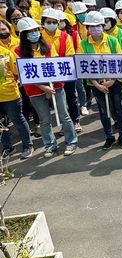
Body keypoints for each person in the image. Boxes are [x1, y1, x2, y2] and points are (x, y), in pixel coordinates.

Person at [16, 17, 77, 157]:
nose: (34, 33)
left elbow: (56, 67)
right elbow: (24, 74)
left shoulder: (48, 47)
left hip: (56, 87)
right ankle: (50, 145)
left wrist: (51, 88)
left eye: (36, 30)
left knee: (64, 115)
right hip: (35, 91)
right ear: (23, 35)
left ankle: (71, 142)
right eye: (30, 31)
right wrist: (44, 88)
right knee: (44, 120)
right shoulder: (18, 51)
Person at [77, 11, 122, 149]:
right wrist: (96, 84)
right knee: (104, 111)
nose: (95, 29)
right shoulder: (84, 44)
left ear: (102, 26)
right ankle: (109, 136)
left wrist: (112, 80)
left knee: (119, 108)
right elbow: (83, 66)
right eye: (91, 27)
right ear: (87, 28)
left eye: (98, 26)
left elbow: (119, 61)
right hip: (96, 83)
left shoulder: (112, 41)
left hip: (115, 81)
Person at [40, 8, 82, 133]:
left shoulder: (65, 36)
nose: (51, 24)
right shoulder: (40, 37)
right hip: (48, 73)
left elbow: (70, 54)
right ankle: (65, 124)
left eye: (54, 22)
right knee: (57, 102)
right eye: (48, 21)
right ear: (43, 23)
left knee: (71, 97)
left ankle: (75, 121)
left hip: (65, 71)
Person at [0, 19, 33, 159]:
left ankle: (28, 145)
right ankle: (8, 148)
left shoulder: (5, 53)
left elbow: (16, 72)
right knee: (2, 124)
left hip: (10, 95)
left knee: (18, 120)